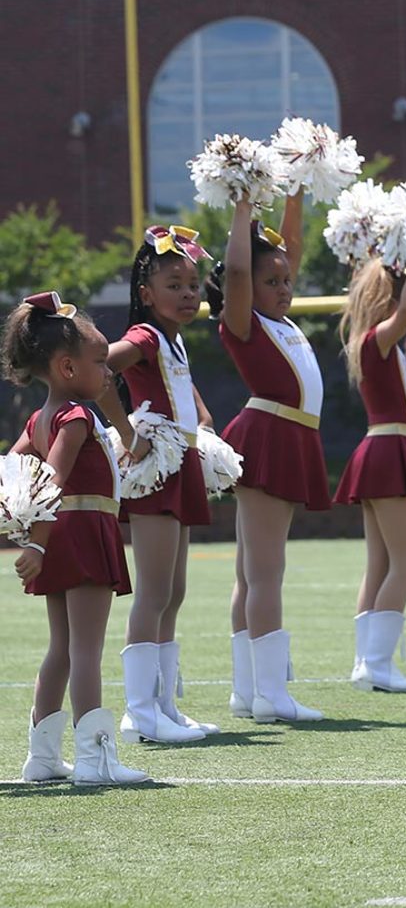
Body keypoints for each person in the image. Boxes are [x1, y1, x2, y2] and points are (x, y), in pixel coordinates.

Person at [2, 293, 147, 785]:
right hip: (80, 535)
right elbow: (51, 480)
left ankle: (42, 757)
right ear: (66, 367)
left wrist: (39, 539)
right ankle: (95, 759)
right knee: (86, 649)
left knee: (62, 647)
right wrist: (36, 544)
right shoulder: (77, 416)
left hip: (65, 537)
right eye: (100, 362)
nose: (109, 373)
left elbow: (13, 474)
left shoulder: (38, 419)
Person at [95, 226, 219, 745]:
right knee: (153, 592)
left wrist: (206, 429)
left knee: (174, 592)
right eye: (174, 284)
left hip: (181, 461)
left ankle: (164, 706)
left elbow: (186, 397)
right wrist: (128, 434)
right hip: (156, 466)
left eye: (193, 284)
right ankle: (140, 711)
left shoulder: (174, 339)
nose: (188, 294)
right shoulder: (145, 336)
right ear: (146, 293)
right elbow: (100, 369)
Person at [207, 193, 327, 722]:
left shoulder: (281, 319)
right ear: (244, 290)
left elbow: (290, 246)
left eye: (286, 281)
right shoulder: (244, 322)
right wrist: (239, 210)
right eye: (272, 281)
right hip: (269, 435)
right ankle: (271, 694)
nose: (285, 287)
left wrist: (297, 191)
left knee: (250, 573)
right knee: (265, 573)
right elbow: (236, 270)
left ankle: (247, 689)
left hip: (286, 434)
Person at [334, 255, 406, 693]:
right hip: (389, 448)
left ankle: (365, 663)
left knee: (380, 564)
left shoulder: (368, 342)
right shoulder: (377, 339)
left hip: (382, 447)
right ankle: (377, 663)